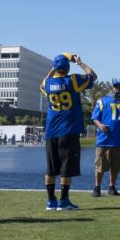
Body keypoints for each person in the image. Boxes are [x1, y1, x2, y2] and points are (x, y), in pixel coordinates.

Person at [40, 53, 96, 210]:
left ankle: (51, 201)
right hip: (68, 131)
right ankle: (64, 201)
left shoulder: (49, 83)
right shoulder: (72, 80)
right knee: (66, 168)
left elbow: (42, 83)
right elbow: (93, 76)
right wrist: (80, 62)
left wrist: (54, 67)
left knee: (50, 169)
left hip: (51, 131)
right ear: (67, 67)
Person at [91, 79, 120, 197]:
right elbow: (94, 118)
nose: (118, 89)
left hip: (119, 141)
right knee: (100, 166)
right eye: (116, 87)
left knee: (116, 167)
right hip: (103, 141)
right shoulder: (102, 101)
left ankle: (111, 187)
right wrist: (100, 125)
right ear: (112, 88)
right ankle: (97, 188)